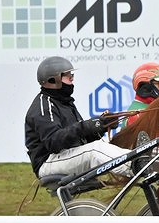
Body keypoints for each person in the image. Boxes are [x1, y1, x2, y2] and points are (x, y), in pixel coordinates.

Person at [25, 56, 127, 189]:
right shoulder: (44, 106)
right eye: (68, 76)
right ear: (54, 80)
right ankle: (135, 166)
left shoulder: (64, 103)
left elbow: (80, 138)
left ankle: (141, 161)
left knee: (102, 146)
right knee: (95, 150)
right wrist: (89, 125)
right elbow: (54, 142)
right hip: (48, 162)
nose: (72, 79)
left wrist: (101, 126)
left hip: (64, 157)